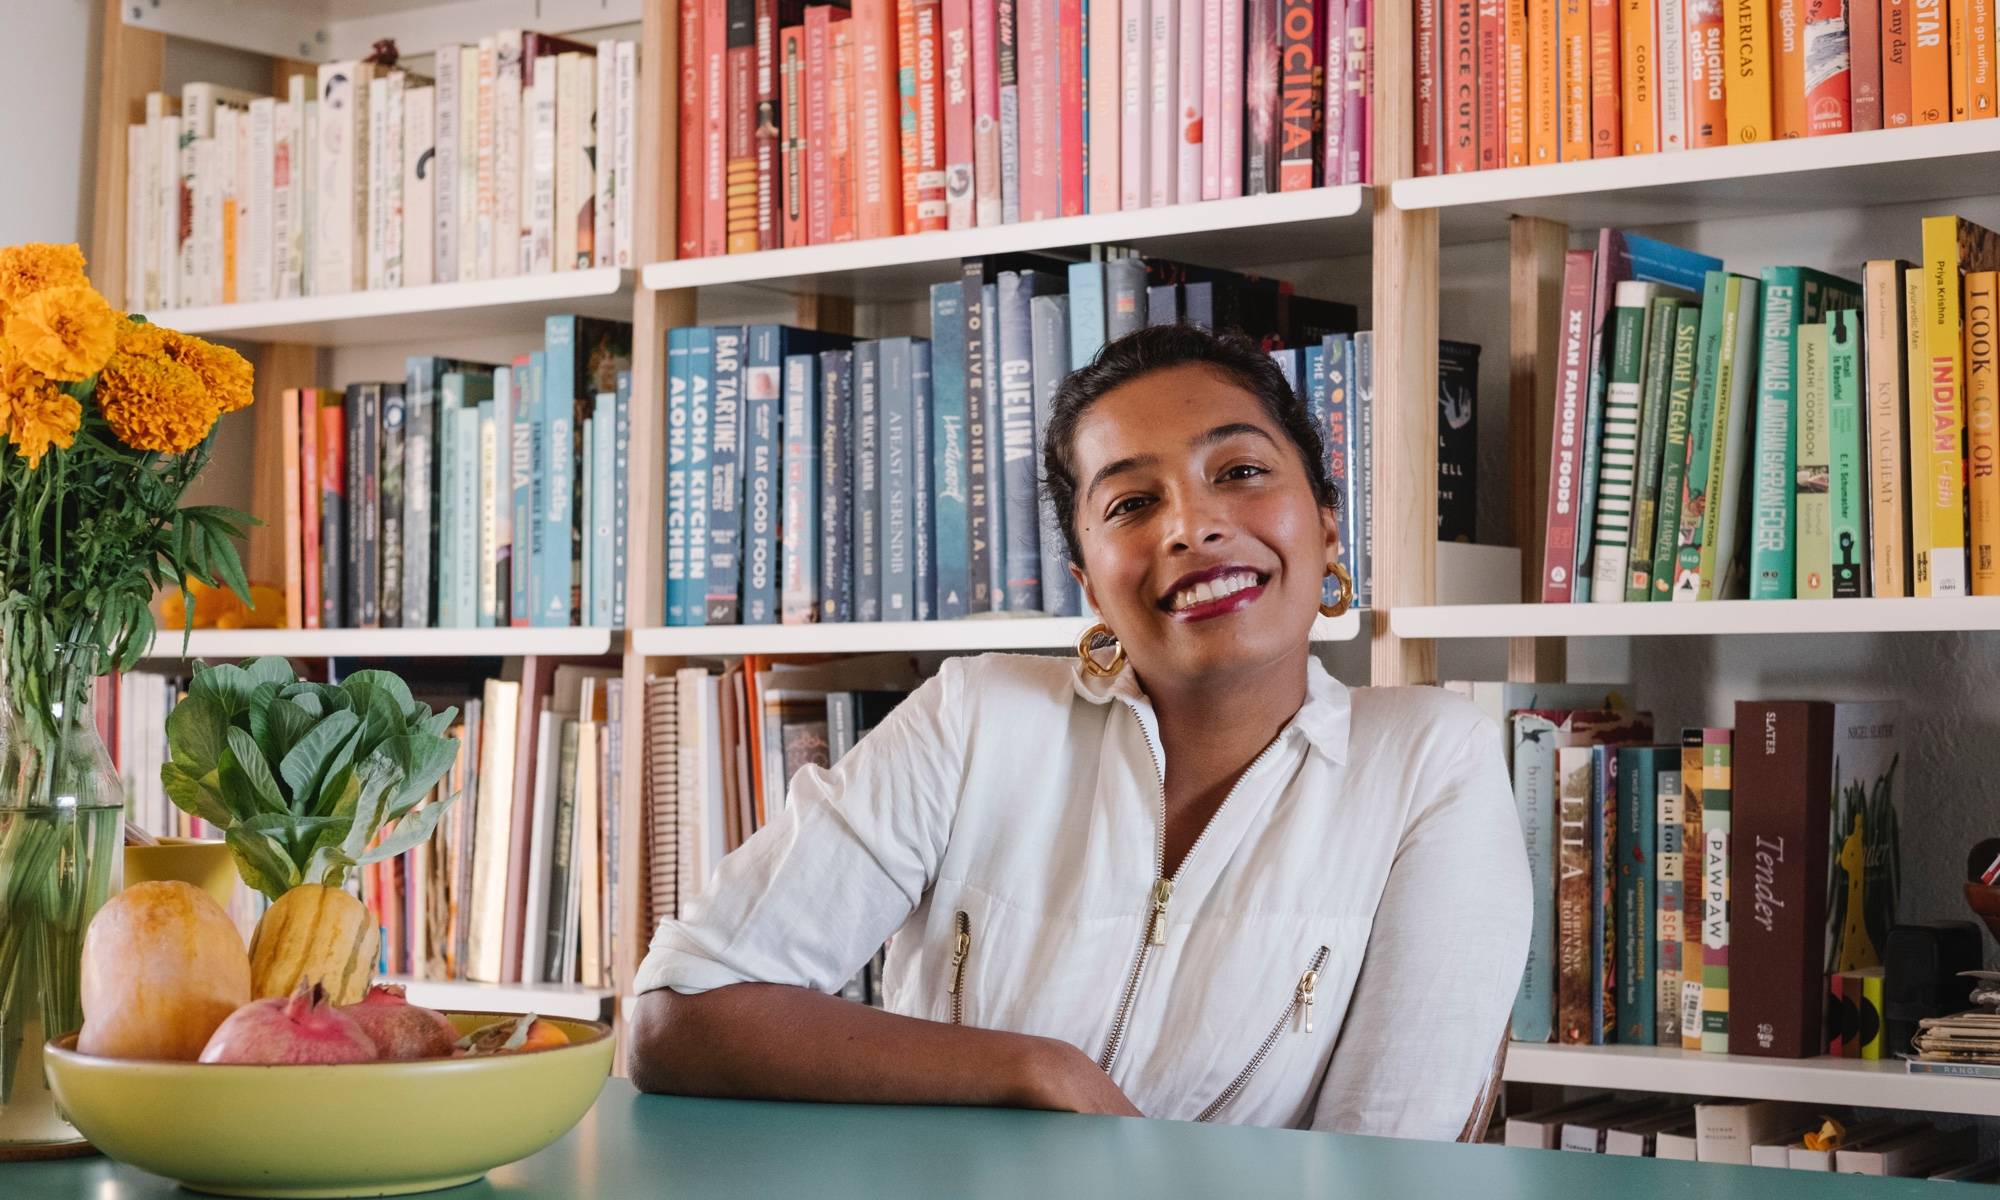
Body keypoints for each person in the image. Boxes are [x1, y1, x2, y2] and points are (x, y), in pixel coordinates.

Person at [630, 323, 1530, 1138]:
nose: (1192, 526)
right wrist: (1034, 1067)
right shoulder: (974, 718)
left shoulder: (1427, 761)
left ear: (1328, 526)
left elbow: (1393, 1168)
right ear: (1090, 584)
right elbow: (676, 1014)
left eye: (1240, 472)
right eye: (1131, 503)